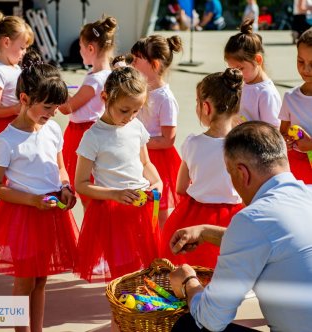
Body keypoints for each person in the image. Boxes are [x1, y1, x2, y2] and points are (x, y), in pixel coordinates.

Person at [169, 121, 312, 332]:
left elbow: (212, 318)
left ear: (242, 172)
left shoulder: (253, 218)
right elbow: (273, 243)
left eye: (229, 173)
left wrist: (189, 282)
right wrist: (206, 232)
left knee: (189, 325)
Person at [0, 53, 79, 332]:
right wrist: (33, 200)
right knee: (24, 282)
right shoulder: (5, 141)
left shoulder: (53, 130)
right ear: (24, 100)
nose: (52, 113)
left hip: (51, 215)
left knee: (41, 280)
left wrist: (65, 187)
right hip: (23, 217)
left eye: (56, 108)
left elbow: (59, 168)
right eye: (47, 107)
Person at [74, 66, 163, 281]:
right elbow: (81, 184)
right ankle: (121, 315)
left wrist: (157, 181)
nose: (130, 117)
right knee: (123, 275)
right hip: (113, 214)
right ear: (105, 98)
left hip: (141, 208)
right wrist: (114, 194)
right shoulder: (93, 136)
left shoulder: (136, 127)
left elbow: (145, 162)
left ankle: (138, 314)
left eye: (136, 110)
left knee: (146, 271)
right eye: (125, 110)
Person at [161, 68, 244, 269]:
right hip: (233, 218)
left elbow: (181, 188)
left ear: (206, 107)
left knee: (192, 268)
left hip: (195, 216)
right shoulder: (244, 145)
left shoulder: (192, 144)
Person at [58, 16, 116, 209]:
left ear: (90, 49)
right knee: (92, 185)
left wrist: (56, 93)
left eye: (81, 47)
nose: (80, 51)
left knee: (85, 186)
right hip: (93, 131)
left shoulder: (95, 80)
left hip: (82, 134)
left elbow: (67, 108)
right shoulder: (107, 74)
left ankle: (92, 231)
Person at [131, 35, 183, 228]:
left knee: (158, 211)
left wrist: (137, 142)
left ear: (154, 64)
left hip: (157, 160)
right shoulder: (138, 90)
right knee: (138, 206)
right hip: (138, 157)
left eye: (137, 58)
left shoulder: (165, 98)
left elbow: (168, 140)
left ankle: (160, 250)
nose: (132, 61)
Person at [0, 11, 34, 142]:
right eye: (22, 47)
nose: (25, 52)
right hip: (5, 129)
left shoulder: (17, 68)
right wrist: (15, 109)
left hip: (20, 124)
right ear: (6, 42)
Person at [224, 19, 281, 127]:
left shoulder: (266, 93)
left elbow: (272, 133)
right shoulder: (242, 84)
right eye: (231, 69)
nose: (236, 74)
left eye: (240, 68)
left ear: (258, 60)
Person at [279, 28, 312, 184]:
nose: (306, 69)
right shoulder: (290, 98)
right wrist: (287, 141)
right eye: (300, 61)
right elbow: (283, 133)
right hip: (297, 170)